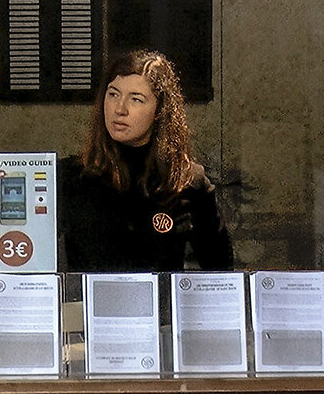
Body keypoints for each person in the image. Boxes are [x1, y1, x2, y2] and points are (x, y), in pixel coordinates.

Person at [59, 49, 233, 273]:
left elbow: (220, 270)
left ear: (160, 110)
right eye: (113, 94)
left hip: (160, 306)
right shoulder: (70, 176)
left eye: (136, 99)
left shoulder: (186, 181)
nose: (119, 109)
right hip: (87, 306)